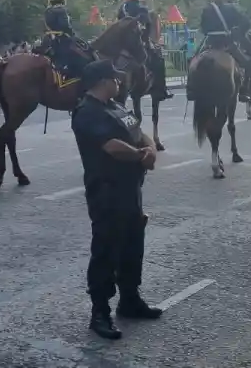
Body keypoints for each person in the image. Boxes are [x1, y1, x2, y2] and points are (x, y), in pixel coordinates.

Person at [70, 59, 162, 340]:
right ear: (101, 81)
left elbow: (139, 131)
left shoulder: (116, 106)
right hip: (106, 192)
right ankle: (100, 313)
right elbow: (111, 146)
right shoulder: (87, 112)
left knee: (133, 246)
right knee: (106, 251)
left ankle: (130, 300)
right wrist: (141, 156)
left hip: (131, 189)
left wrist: (149, 148)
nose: (119, 82)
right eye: (115, 78)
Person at [198, 0, 251, 102]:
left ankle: (191, 88)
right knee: (246, 63)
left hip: (210, 43)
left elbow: (203, 29)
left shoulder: (206, 9)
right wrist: (236, 34)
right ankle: (243, 92)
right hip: (226, 44)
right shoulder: (231, 8)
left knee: (193, 61)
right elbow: (246, 23)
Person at [118, 0, 171, 101]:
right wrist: (148, 41)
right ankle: (161, 89)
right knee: (158, 61)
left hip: (123, 44)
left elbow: (118, 24)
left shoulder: (122, 8)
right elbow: (147, 27)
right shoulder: (142, 9)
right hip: (139, 44)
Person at [41, 0, 89, 80]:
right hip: (62, 40)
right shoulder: (61, 10)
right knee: (84, 57)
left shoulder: (48, 11)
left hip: (49, 39)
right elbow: (65, 26)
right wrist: (73, 35)